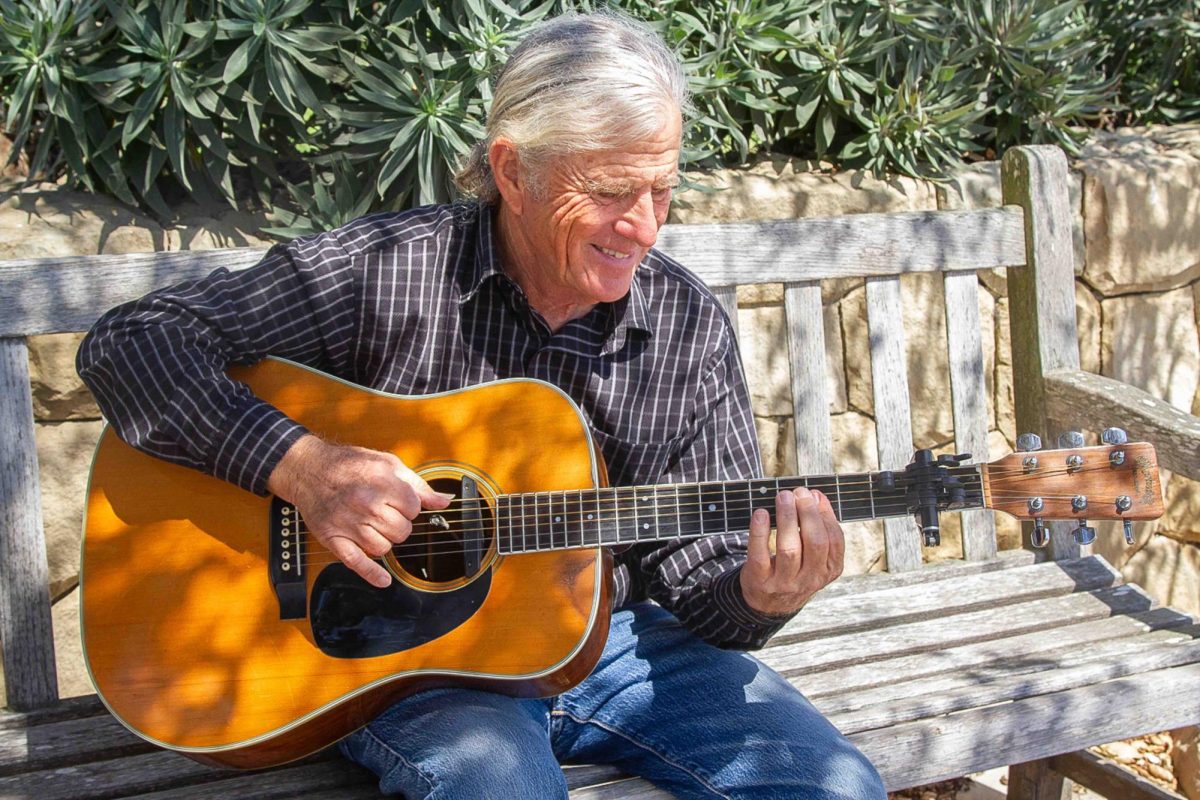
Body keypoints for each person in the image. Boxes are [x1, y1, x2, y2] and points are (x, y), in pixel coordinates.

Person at [78, 10, 886, 800]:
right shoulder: (388, 271)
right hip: (410, 667)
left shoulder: (683, 325)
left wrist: (760, 594)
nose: (642, 228)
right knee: (497, 781)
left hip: (618, 645)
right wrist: (301, 467)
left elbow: (698, 580)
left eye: (661, 192)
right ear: (513, 171)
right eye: (610, 191)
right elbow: (134, 343)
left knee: (833, 786)